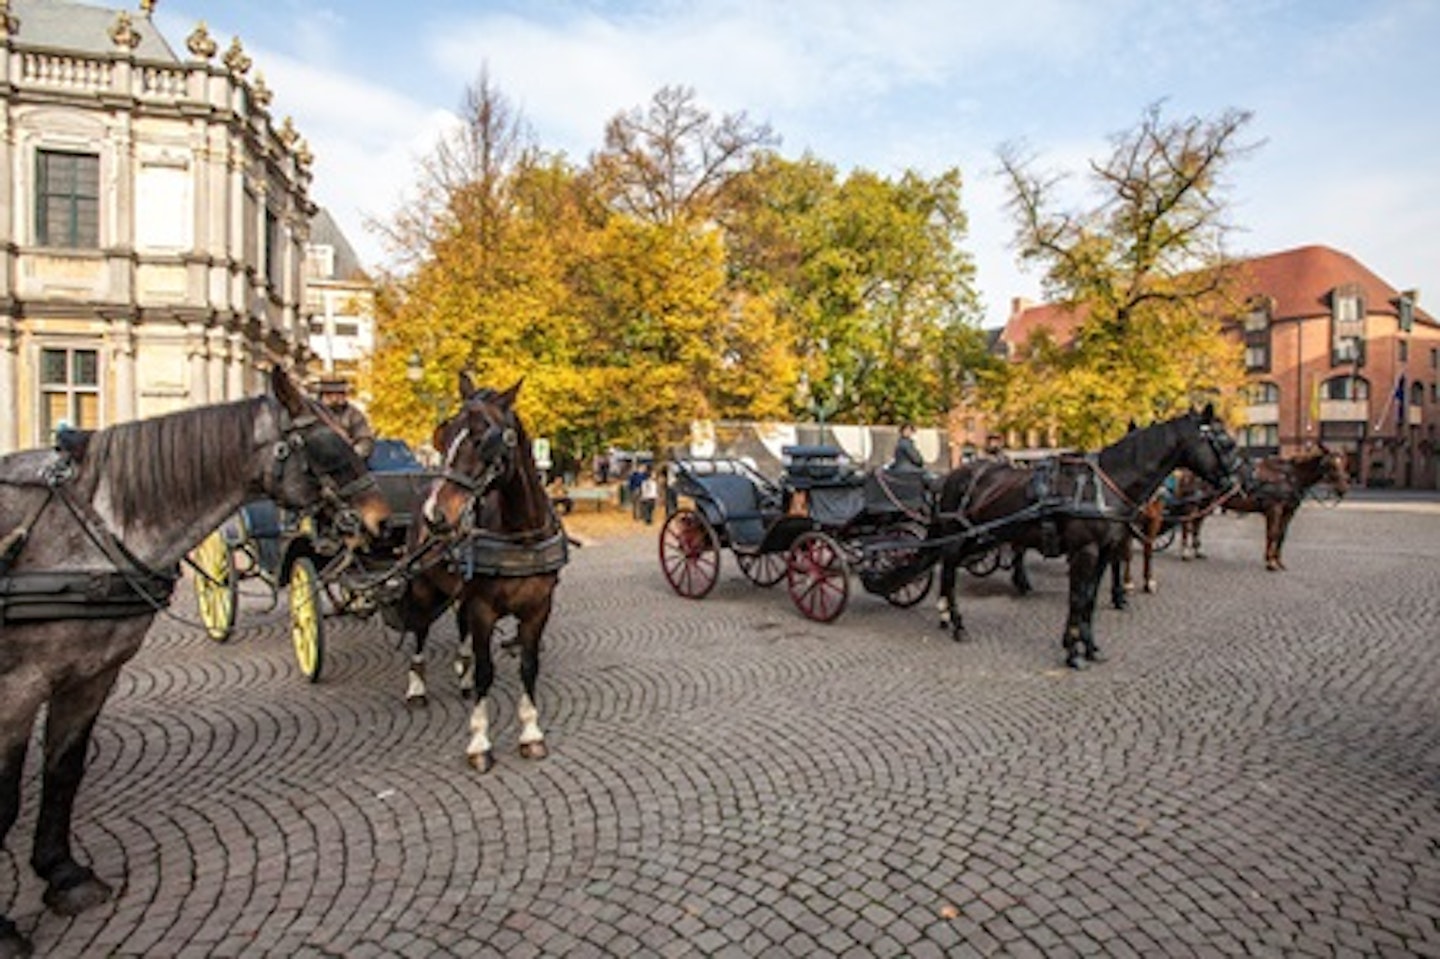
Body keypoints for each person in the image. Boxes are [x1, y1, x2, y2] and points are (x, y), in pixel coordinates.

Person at [317, 378, 375, 460]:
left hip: (346, 463)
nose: (334, 399)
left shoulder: (354, 414)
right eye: (329, 395)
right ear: (321, 396)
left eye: (339, 394)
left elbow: (365, 440)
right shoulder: (312, 414)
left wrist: (355, 453)